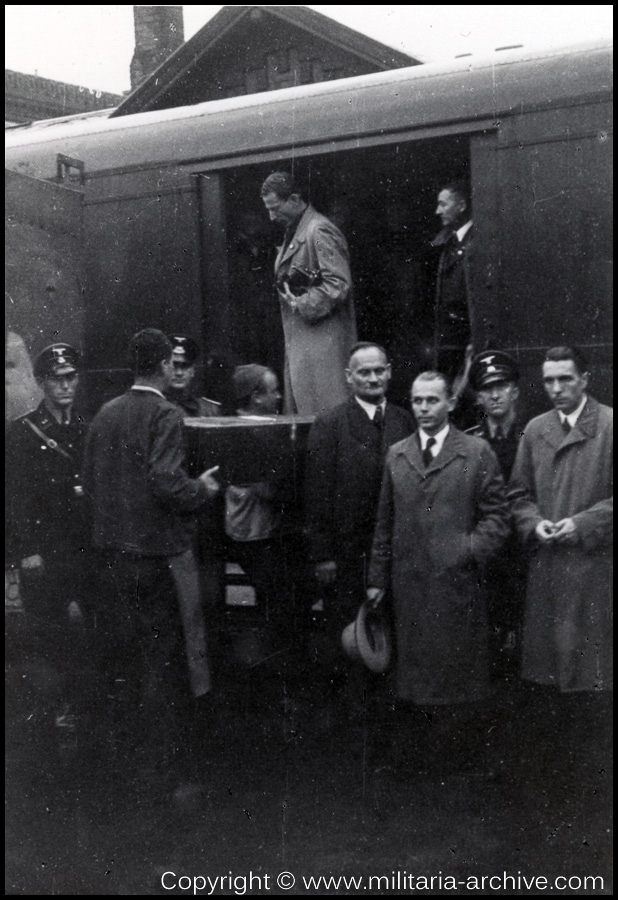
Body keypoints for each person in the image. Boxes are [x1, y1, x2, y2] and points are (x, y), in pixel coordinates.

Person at [82, 329, 221, 794]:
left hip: (111, 560)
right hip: (156, 560)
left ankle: (123, 771)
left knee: (125, 662)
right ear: (164, 366)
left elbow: (90, 484)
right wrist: (202, 488)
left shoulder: (104, 413)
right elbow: (166, 483)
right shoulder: (165, 413)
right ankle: (166, 774)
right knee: (164, 666)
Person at [367, 371, 510, 772]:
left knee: (456, 678)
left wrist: (467, 551)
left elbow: (497, 517)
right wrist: (377, 580)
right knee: (413, 678)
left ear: (449, 403)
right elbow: (384, 522)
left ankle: (457, 767)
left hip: (456, 588)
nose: (425, 409)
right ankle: (419, 766)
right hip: (409, 587)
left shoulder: (476, 452)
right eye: (417, 401)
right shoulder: (397, 454)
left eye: (433, 400)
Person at [304, 343, 414, 716]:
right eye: (363, 373)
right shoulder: (330, 424)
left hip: (394, 553)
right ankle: (353, 720)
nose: (372, 378)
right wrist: (323, 555)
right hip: (347, 556)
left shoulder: (404, 419)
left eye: (378, 371)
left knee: (390, 634)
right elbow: (316, 493)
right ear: (349, 378)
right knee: (351, 637)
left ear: (389, 372)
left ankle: (391, 714)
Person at [509, 347, 612, 693]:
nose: (555, 388)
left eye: (565, 379)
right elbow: (518, 495)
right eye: (549, 380)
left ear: (584, 380)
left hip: (596, 571)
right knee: (551, 684)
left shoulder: (610, 426)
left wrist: (583, 524)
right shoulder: (536, 429)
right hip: (549, 570)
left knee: (594, 679)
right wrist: (533, 523)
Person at [5, 343, 89, 744]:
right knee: (48, 633)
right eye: (57, 379)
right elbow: (14, 498)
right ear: (41, 383)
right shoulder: (22, 432)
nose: (66, 385)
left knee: (84, 631)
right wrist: (24, 552)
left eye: (71, 377)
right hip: (43, 550)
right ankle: (54, 713)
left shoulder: (87, 426)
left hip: (82, 548)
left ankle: (81, 706)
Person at [260, 171, 356, 415]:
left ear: (294, 199)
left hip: (323, 355)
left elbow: (338, 284)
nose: (271, 217)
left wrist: (300, 303)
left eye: (275, 208)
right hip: (306, 351)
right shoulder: (297, 230)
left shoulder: (320, 231)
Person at [224, 364, 295, 649]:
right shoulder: (244, 432)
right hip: (254, 535)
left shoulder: (262, 427)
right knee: (277, 603)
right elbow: (268, 490)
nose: (279, 397)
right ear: (255, 397)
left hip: (260, 531)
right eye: (273, 391)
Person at [467, 350, 527, 674]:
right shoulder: (468, 442)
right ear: (478, 397)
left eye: (501, 385)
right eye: (487, 388)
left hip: (527, 550)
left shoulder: (535, 435)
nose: (494, 394)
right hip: (490, 558)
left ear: (514, 390)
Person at [430, 180, 474, 391]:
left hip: (465, 341)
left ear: (462, 205)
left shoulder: (476, 241)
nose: (438, 211)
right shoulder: (447, 241)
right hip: (449, 341)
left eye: (443, 204)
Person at [166, 334, 223, 417]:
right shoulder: (153, 408)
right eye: (174, 366)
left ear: (193, 371)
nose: (179, 373)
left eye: (185, 366)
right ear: (163, 368)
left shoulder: (210, 410)